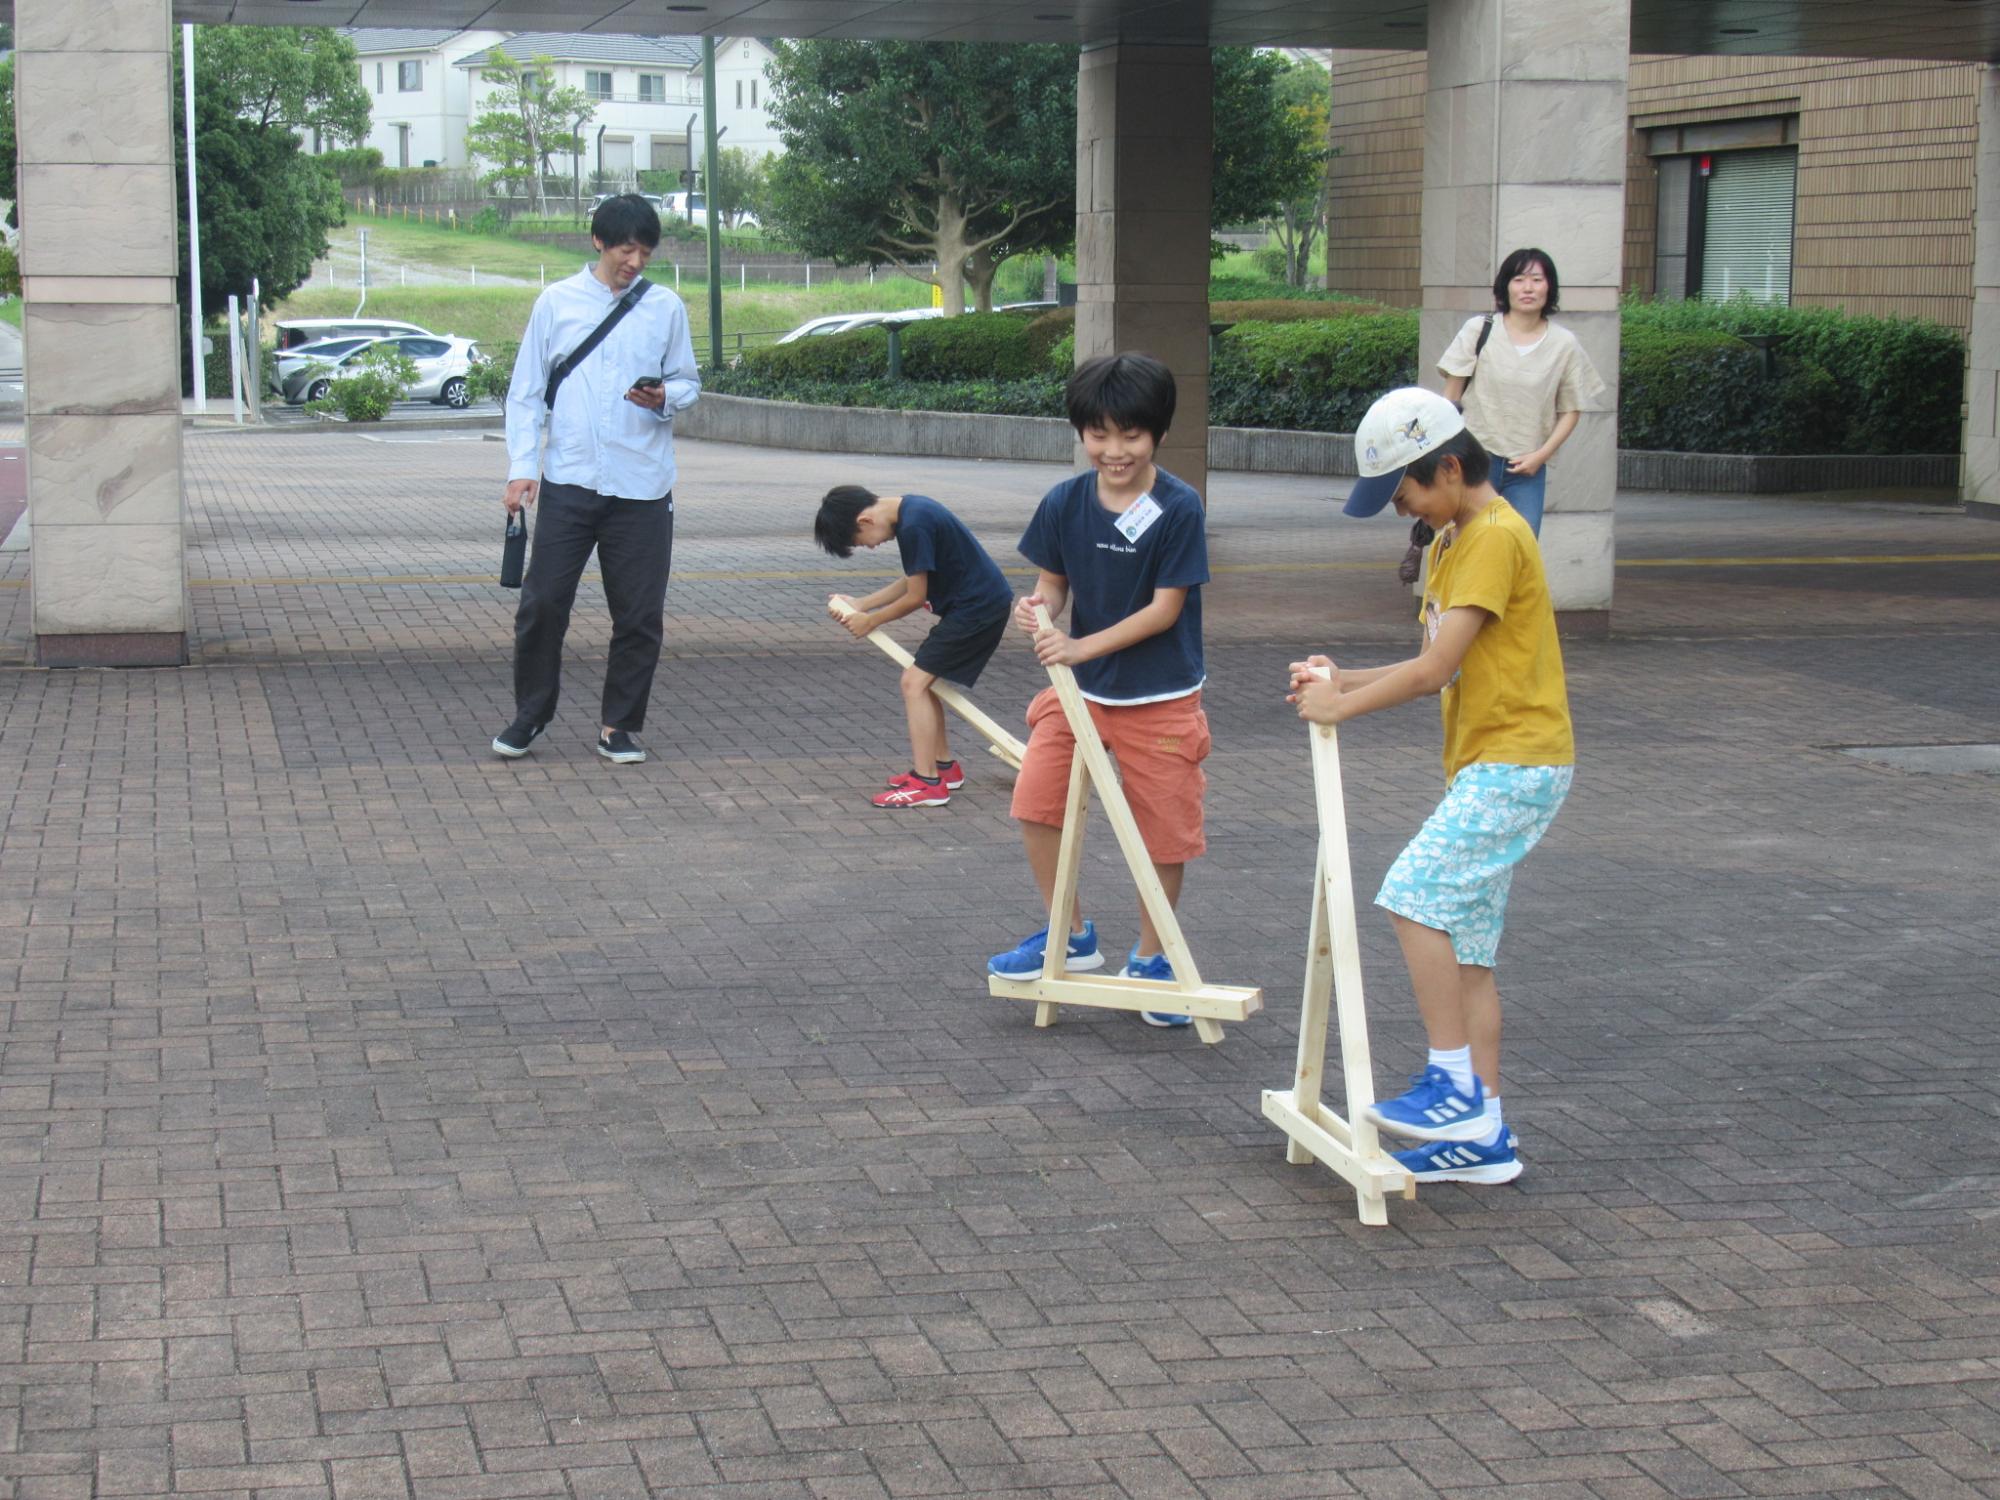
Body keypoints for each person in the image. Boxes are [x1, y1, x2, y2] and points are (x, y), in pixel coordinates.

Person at [1291, 386, 1574, 1185]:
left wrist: (1339, 704)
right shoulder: (1455, 536)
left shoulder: (1492, 535)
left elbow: (1433, 671)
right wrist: (1345, 678)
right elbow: (1433, 661)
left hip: (1518, 762)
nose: (1399, 507)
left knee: (1413, 895)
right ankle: (1484, 1135)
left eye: (1405, 489)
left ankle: (1451, 1084)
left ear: (1448, 468)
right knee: (1471, 956)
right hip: (1499, 762)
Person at [988, 353, 1212, 1029]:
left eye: (1131, 436)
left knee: (1162, 836)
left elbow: (1165, 609)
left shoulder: (1178, 506)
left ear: (1158, 434)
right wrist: (1041, 610)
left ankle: (1153, 958)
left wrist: (1081, 644)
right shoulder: (1064, 501)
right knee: (1035, 802)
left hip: (1160, 696)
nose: (1114, 451)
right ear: (1082, 432)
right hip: (1080, 690)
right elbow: (1052, 583)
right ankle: (1072, 935)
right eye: (1099, 434)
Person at [490, 194, 700, 765]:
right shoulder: (555, 303)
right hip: (570, 480)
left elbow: (688, 381)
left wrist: (664, 396)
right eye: (626, 250)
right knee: (542, 605)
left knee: (638, 615)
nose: (635, 262)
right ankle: (531, 714)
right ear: (598, 242)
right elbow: (526, 394)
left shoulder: (665, 308)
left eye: (645, 252)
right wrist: (520, 470)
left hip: (643, 487)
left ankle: (619, 726)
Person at [814, 486, 1014, 809]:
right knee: (923, 682)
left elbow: (915, 596)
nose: (872, 546)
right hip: (976, 606)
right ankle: (943, 768)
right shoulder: (913, 512)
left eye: (859, 542)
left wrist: (872, 621)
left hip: (977, 610)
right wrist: (862, 603)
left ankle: (928, 783)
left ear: (865, 520)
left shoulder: (914, 525)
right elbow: (915, 578)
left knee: (913, 683)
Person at [1436, 247, 1607, 537]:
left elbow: (1571, 410)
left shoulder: (1564, 344)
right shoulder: (1479, 330)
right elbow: (1450, 399)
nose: (1528, 288)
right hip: (1474, 462)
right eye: (1518, 279)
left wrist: (1541, 456)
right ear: (1505, 286)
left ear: (1549, 287)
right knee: (1467, 546)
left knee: (1521, 550)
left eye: (1537, 280)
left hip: (1526, 470)